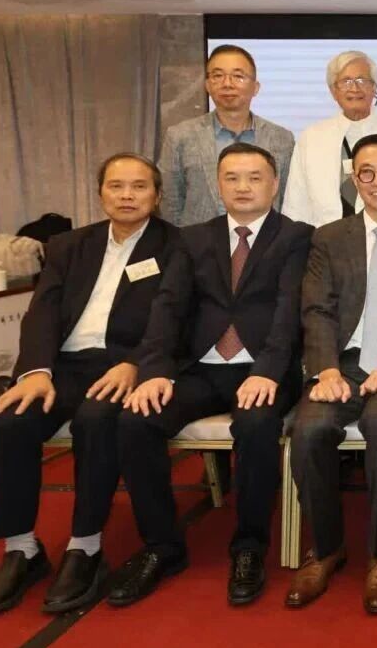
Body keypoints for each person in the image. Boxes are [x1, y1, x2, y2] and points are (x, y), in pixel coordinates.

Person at [108, 142, 312, 608]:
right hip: (200, 369)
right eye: (232, 178)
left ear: (275, 184)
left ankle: (249, 547)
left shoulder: (297, 236)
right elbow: (168, 307)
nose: (243, 187)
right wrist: (155, 371)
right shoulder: (193, 238)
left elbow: (289, 311)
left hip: (264, 370)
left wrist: (267, 371)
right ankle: (162, 546)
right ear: (218, 185)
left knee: (256, 425)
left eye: (254, 178)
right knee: (136, 421)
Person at [0, 154, 178, 616]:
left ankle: (85, 546)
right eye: (116, 186)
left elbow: (176, 318)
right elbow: (41, 312)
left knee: (96, 421)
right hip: (61, 366)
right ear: (100, 193)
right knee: (10, 422)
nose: (127, 195)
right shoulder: (68, 245)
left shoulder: (176, 247)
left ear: (157, 195)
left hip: (122, 365)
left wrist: (137, 365)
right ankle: (22, 549)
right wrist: (35, 371)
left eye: (139, 186)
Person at [287, 134, 377, 614]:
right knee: (309, 429)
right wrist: (325, 369)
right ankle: (326, 549)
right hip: (344, 362)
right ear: (354, 179)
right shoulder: (329, 238)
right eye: (366, 172)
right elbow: (316, 309)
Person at [159, 44, 294, 226]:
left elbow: (287, 200)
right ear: (207, 85)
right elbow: (170, 203)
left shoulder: (282, 138)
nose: (227, 84)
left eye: (238, 76)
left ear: (255, 87)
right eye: (218, 76)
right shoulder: (180, 136)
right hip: (198, 241)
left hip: (265, 241)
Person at [283, 50, 377, 227]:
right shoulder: (311, 138)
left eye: (362, 80)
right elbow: (296, 205)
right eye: (346, 81)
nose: (354, 88)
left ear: (374, 88)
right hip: (323, 239)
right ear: (333, 91)